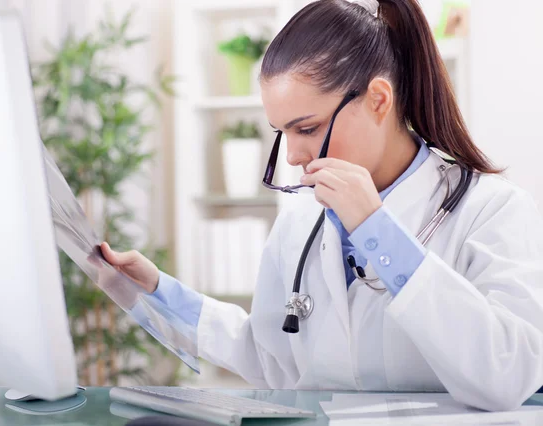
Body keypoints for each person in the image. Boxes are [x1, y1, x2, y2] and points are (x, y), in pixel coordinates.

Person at [100, 0, 543, 412]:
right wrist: (157, 291)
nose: (292, 155)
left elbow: (509, 374)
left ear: (378, 100)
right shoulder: (301, 224)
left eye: (307, 128)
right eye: (282, 133)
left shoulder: (490, 209)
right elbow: (272, 359)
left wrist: (377, 230)